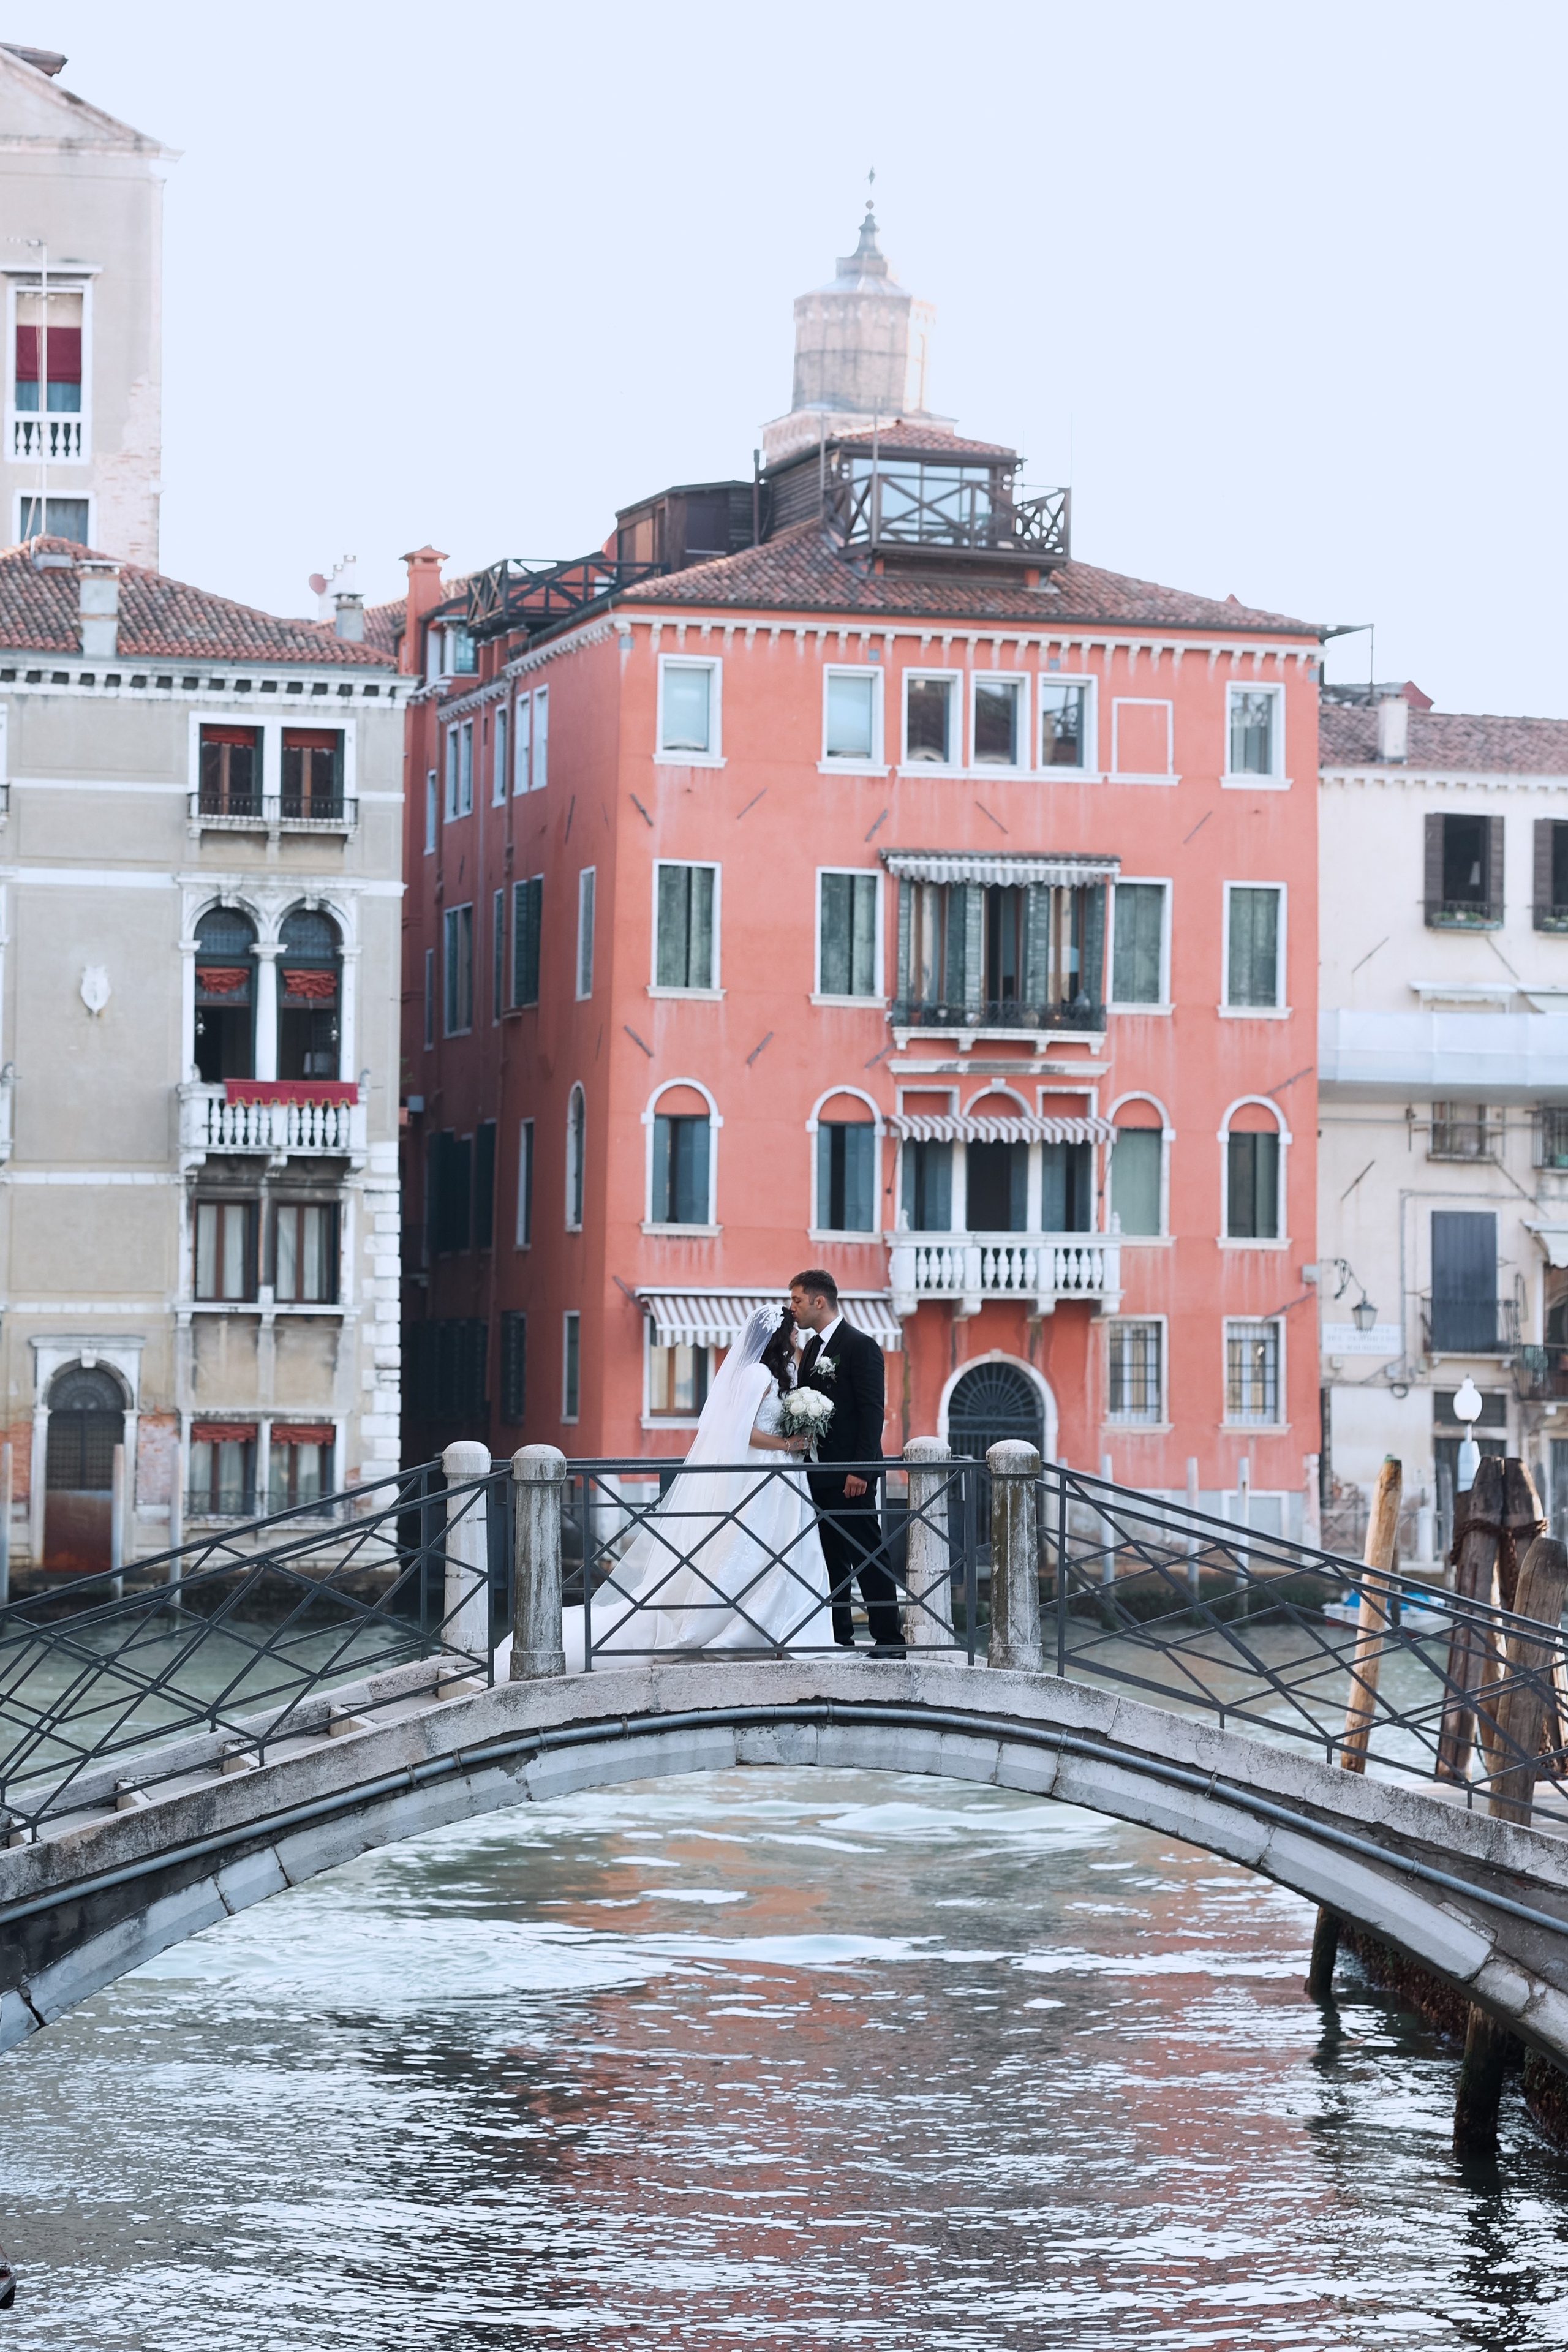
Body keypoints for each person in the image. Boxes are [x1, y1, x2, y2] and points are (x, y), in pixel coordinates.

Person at [569, 1303, 834, 1661]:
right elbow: (744, 1432)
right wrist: (788, 1443)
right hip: (763, 1472)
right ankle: (739, 1629)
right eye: (791, 1328)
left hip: (785, 1474)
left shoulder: (782, 1372)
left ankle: (787, 1627)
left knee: (790, 1549)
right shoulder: (756, 1375)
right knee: (753, 1547)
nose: (796, 1332)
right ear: (778, 1335)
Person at [789, 1268, 905, 1654]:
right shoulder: (809, 1351)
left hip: (851, 1475)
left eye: (797, 1301)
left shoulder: (861, 1345)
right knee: (829, 1559)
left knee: (868, 1555)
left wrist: (861, 1470)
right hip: (816, 1472)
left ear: (819, 1302)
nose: (793, 1309)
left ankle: (890, 1641)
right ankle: (840, 1636)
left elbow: (873, 1411)